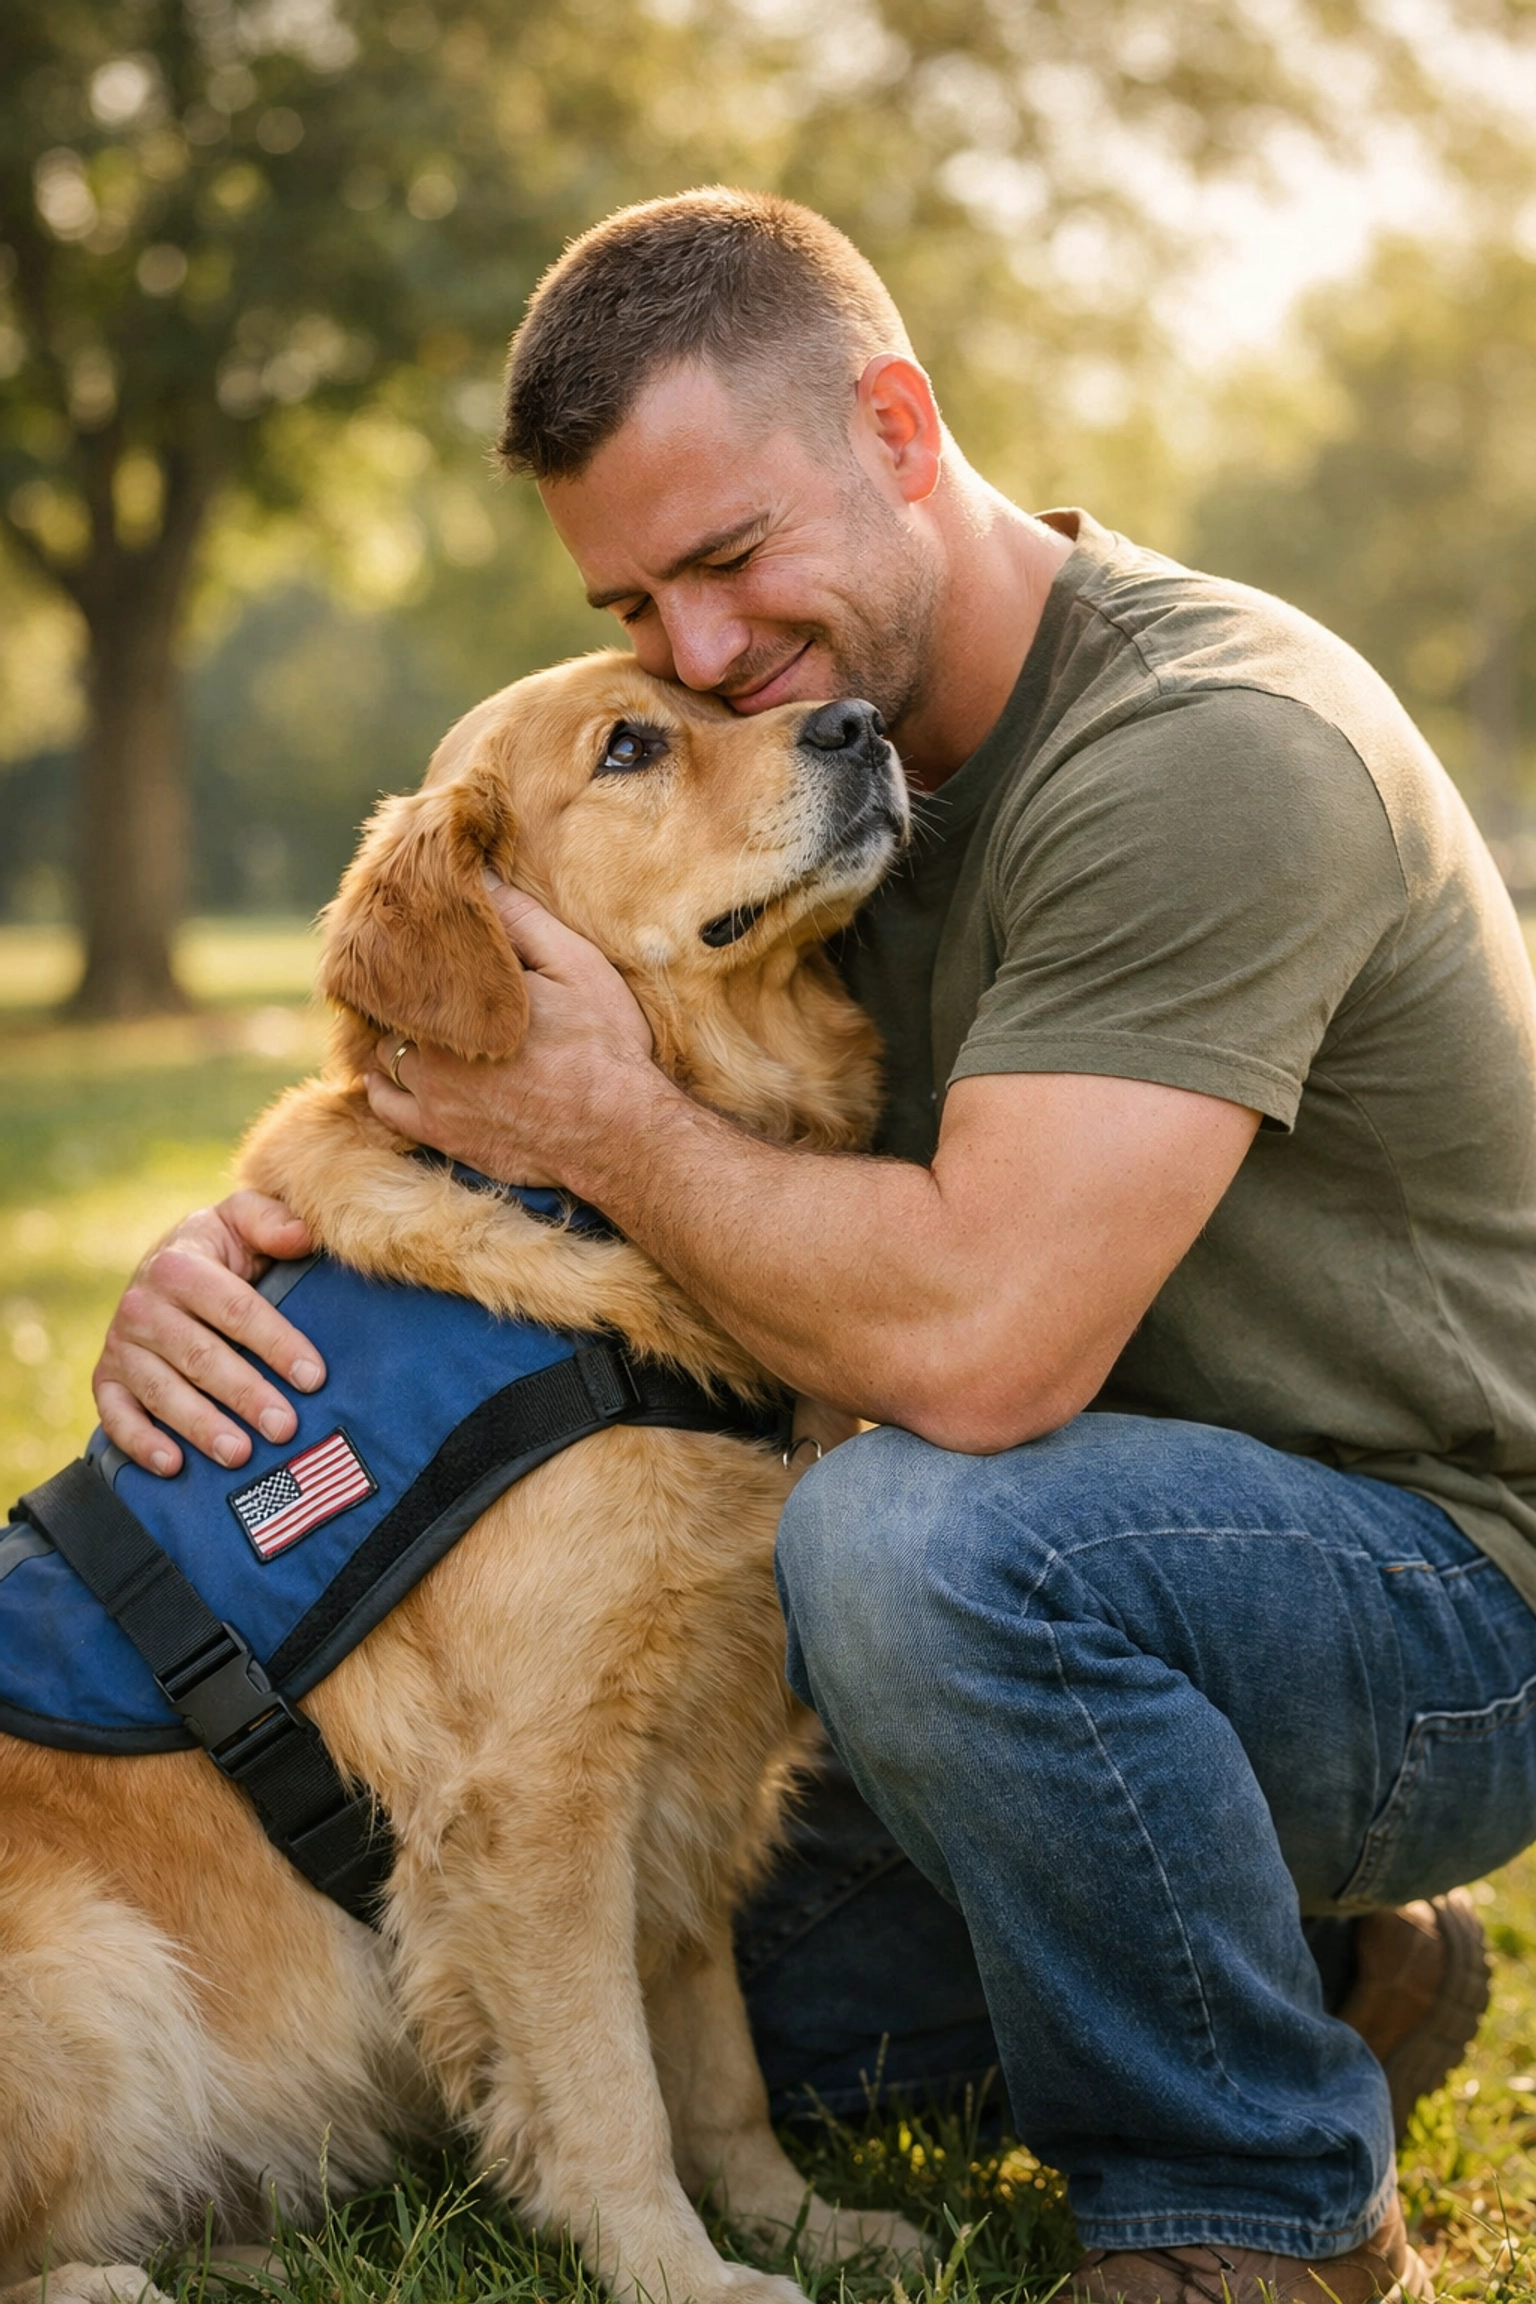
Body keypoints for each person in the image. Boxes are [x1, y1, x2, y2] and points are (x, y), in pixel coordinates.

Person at [90, 190, 1536, 2304]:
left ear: (897, 427)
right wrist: (239, 1261)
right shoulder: (818, 779)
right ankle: (1306, 1963)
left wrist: (603, 1122)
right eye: (630, 604)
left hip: (1429, 1612)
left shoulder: (1209, 752)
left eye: (731, 555)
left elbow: (977, 1354)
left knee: (900, 1536)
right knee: (642, 1930)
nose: (694, 652)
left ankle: (1253, 2206)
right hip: (1062, 1614)